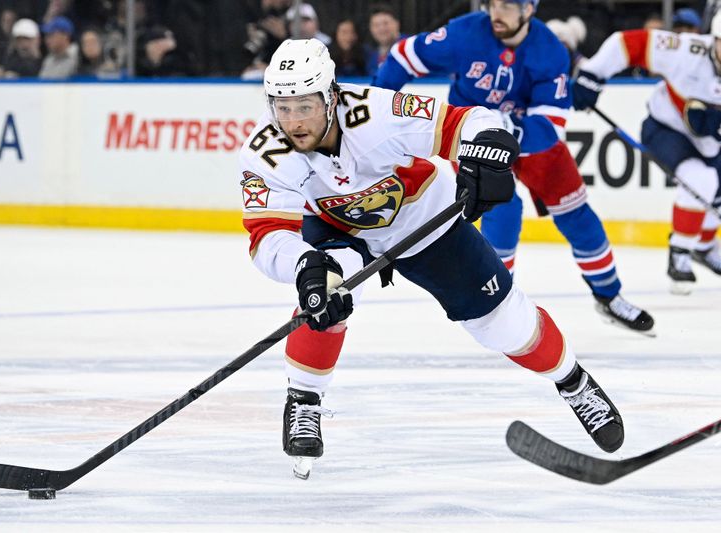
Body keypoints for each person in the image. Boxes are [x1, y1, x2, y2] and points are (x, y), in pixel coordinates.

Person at [240, 38, 625, 479]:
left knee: (505, 324)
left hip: (424, 218)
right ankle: (304, 399)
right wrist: (304, 267)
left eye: (304, 106)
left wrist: (490, 150)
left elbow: (468, 121)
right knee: (325, 293)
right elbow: (267, 234)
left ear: (331, 95)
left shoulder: (377, 112)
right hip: (337, 229)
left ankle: (573, 382)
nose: (292, 121)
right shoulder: (264, 150)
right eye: (281, 107)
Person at [373, 0, 655, 335]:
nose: (496, 13)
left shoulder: (549, 49)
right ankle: (497, 300)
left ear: (529, 9)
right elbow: (404, 55)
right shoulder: (466, 32)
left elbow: (548, 128)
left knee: (576, 213)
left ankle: (609, 295)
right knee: (503, 208)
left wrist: (505, 124)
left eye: (507, 5)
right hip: (472, 134)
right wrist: (379, 108)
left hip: (530, 138)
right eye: (492, 3)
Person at [572, 11, 721, 295]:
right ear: (713, 40)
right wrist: (592, 75)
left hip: (711, 140)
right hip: (667, 128)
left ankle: (704, 245)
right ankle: (681, 252)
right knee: (700, 179)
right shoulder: (686, 51)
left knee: (716, 191)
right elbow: (627, 43)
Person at [366, 4, 402, 76]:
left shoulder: (410, 47)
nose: (381, 28)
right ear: (370, 29)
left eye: (385, 23)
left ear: (397, 24)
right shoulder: (369, 55)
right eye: (376, 25)